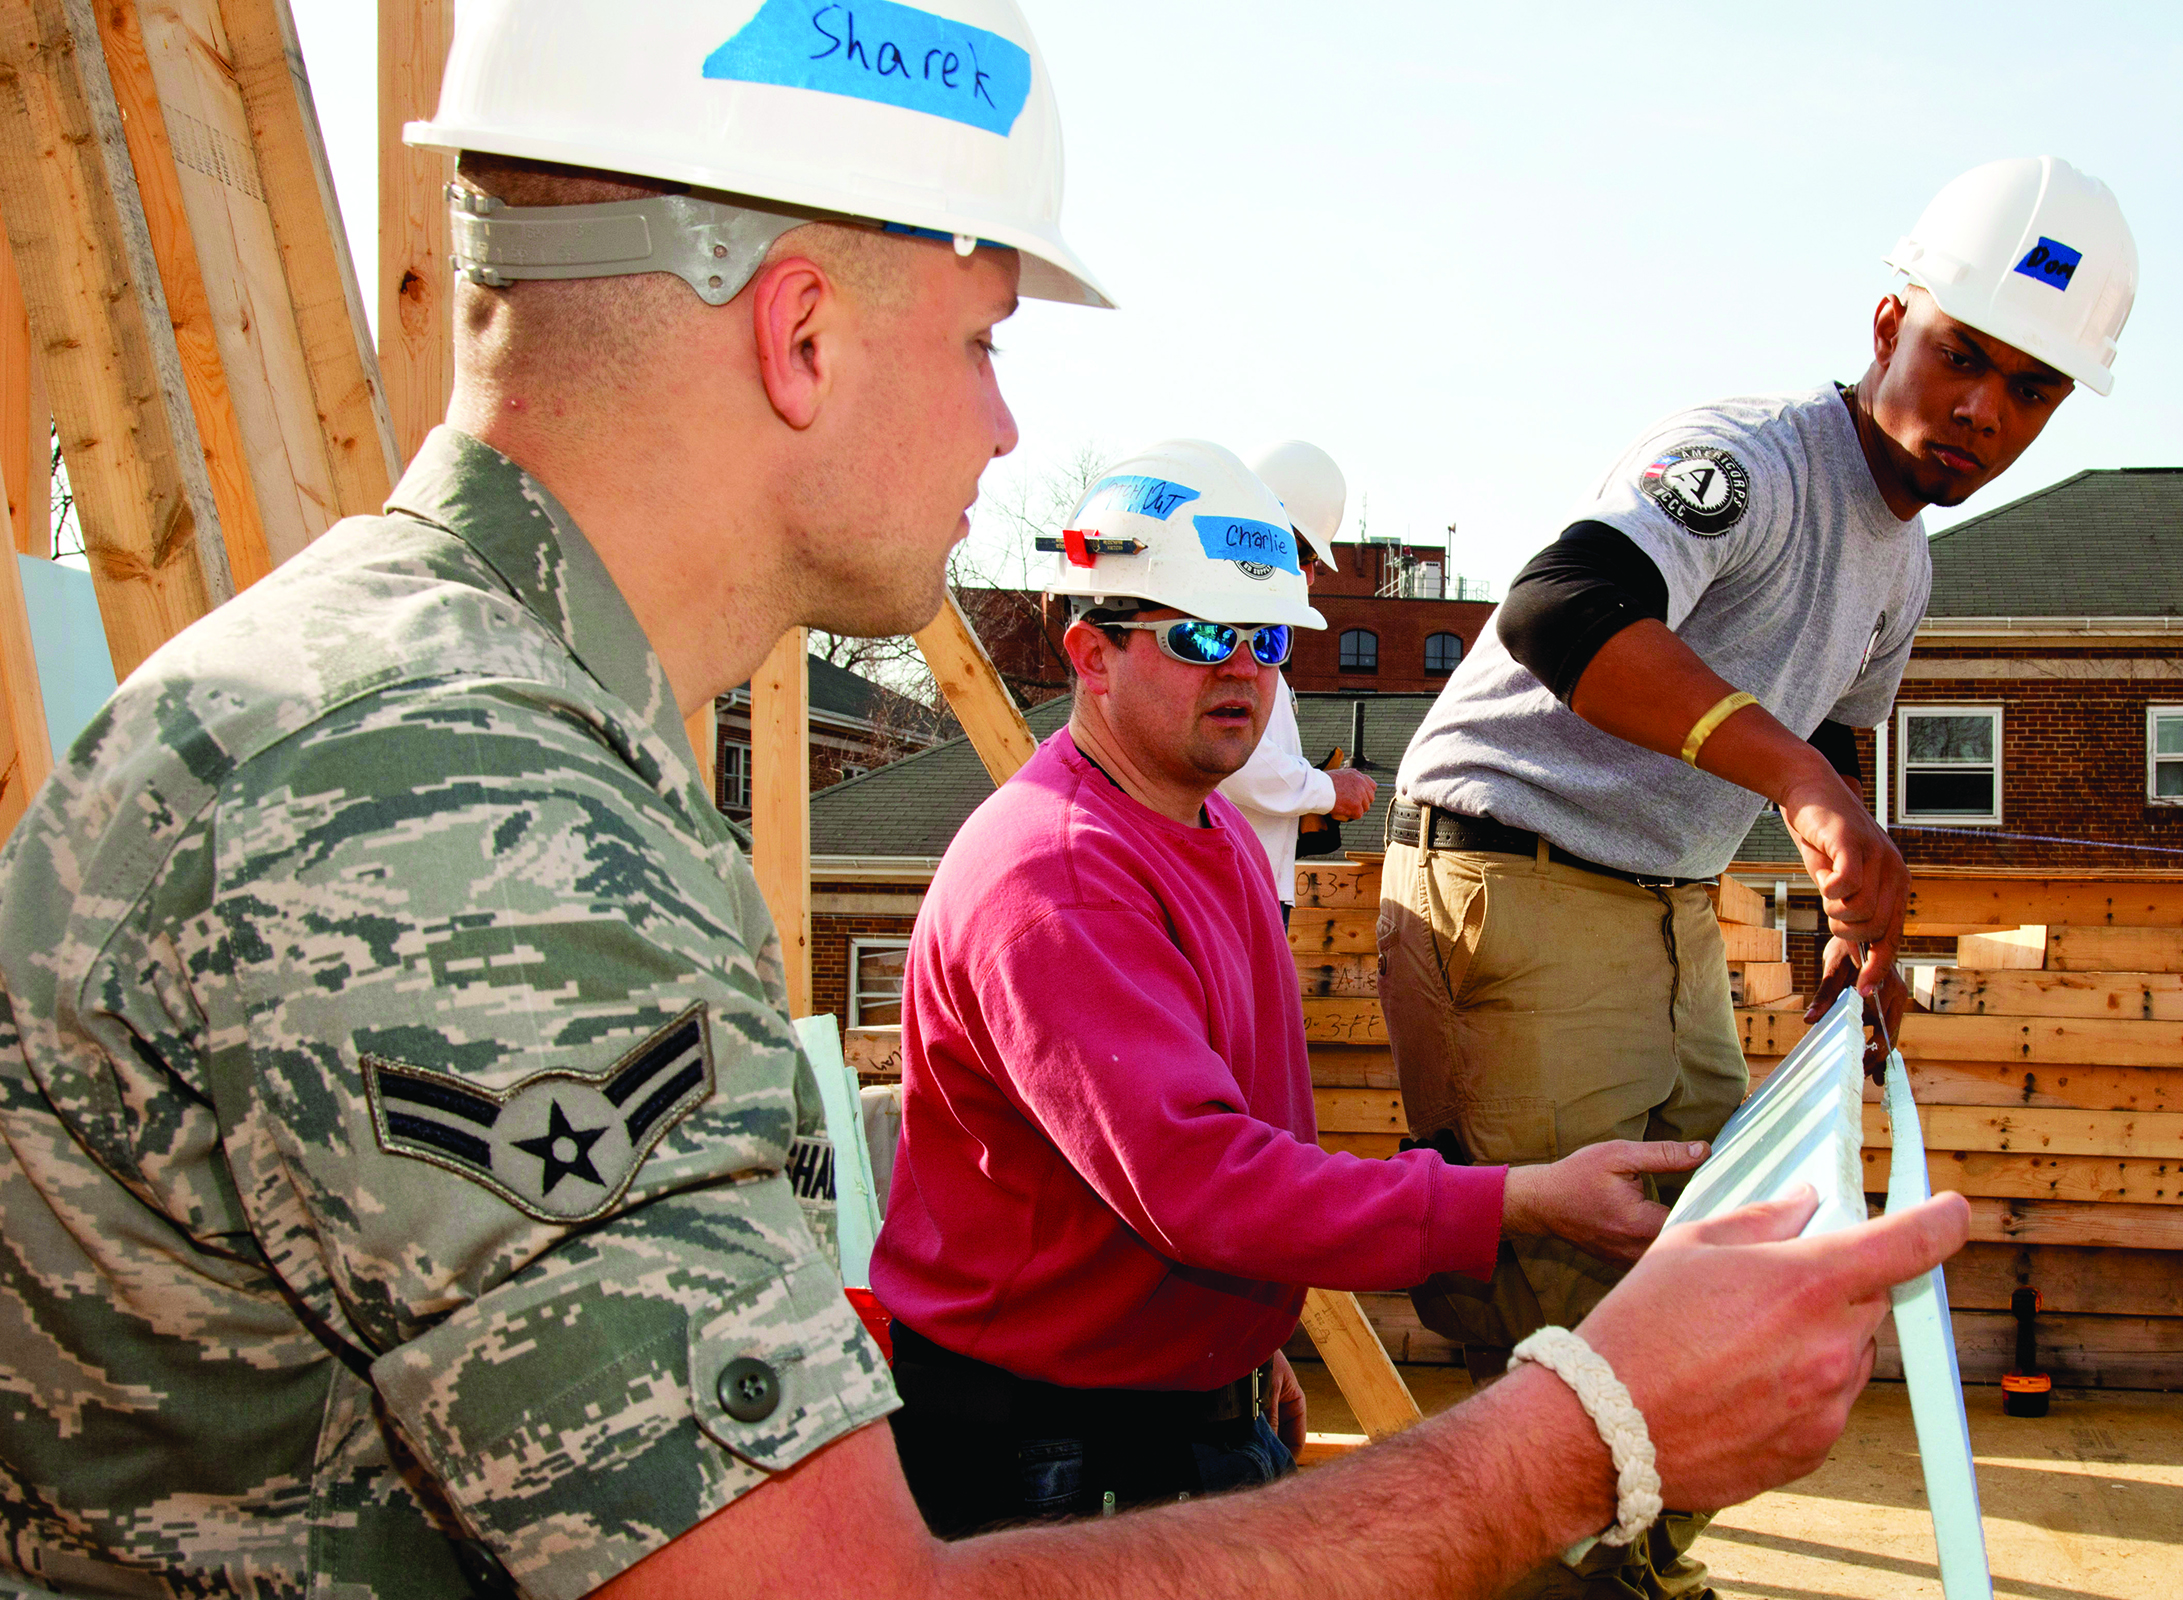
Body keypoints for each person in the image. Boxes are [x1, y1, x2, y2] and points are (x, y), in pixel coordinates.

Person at [0, 6, 1970, 1597]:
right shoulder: (477, 830)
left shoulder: (460, 718)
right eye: (985, 340)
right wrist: (1585, 1428)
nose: (1009, 424)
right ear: (799, 333)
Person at [1380, 155, 2137, 1596]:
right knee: (1575, 1322)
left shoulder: (1903, 566)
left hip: (1668, 910)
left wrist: (1844, 949)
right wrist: (1797, 784)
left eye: (2031, 390)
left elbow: (1837, 762)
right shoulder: (1752, 457)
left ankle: (1628, 1571)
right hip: (1513, 883)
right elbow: (1561, 608)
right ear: (1885, 325)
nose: (1983, 409)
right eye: (1961, 355)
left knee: (1742, 1282)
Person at [871, 440, 1704, 1536]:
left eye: (1266, 640)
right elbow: (1203, 1179)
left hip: (1161, 1403)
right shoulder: (1062, 875)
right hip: (1052, 1451)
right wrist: (1512, 1202)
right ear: (1091, 653)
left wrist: (1245, 1343)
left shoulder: (1203, 828)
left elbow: (1225, 1134)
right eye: (1203, 635)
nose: (1244, 670)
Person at [1217, 440, 1378, 917]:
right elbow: (1233, 759)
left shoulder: (1246, 626)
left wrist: (1307, 789)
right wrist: (1326, 790)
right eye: (1304, 555)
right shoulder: (1224, 625)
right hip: (1237, 889)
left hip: (1253, 881)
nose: (1309, 576)